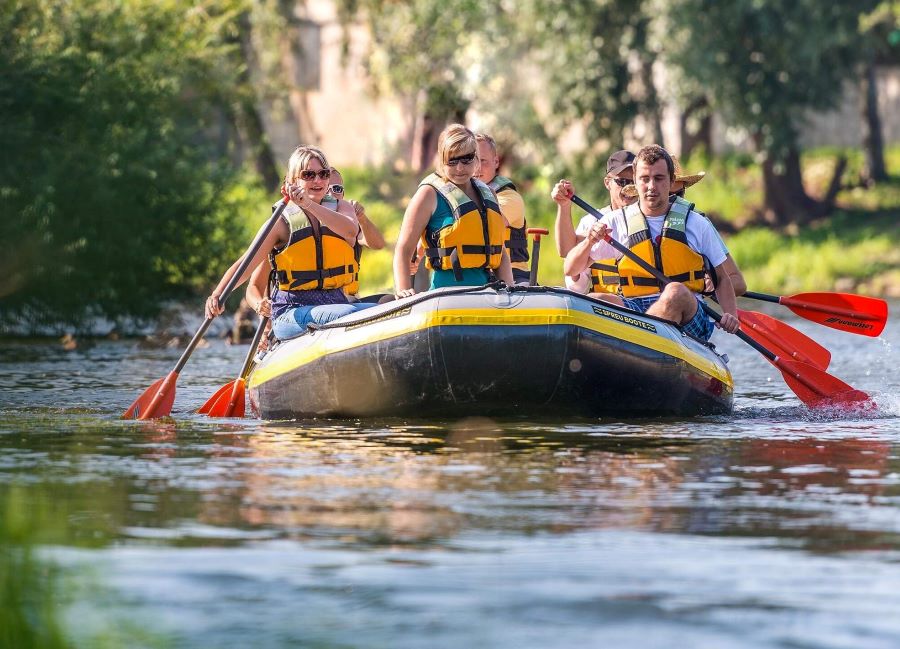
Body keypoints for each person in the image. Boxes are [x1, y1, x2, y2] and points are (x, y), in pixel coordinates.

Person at [563, 144, 740, 340]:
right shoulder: (615, 221)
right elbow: (571, 269)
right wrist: (589, 241)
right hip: (635, 308)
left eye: (659, 178)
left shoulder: (697, 224)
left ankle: (640, 339)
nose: (651, 187)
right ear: (635, 183)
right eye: (644, 179)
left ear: (671, 181)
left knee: (675, 292)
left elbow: (724, 278)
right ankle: (637, 342)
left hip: (689, 315)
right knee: (593, 300)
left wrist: (730, 314)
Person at [205, 145, 377, 340]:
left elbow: (351, 230)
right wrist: (218, 294)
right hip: (292, 312)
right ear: (293, 180)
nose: (318, 180)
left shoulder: (341, 207)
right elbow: (246, 263)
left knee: (381, 311)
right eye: (308, 175)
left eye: (323, 173)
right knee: (348, 315)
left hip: (336, 302)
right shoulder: (280, 222)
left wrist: (309, 205)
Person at [392, 124, 513, 299]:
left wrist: (510, 290)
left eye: (466, 159)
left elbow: (499, 252)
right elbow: (403, 250)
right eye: (452, 160)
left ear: (476, 158)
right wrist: (403, 290)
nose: (460, 168)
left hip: (488, 294)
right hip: (446, 297)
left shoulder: (489, 194)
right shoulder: (428, 194)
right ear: (442, 160)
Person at [621, 162, 747, 296]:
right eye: (668, 195)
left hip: (686, 307)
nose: (674, 200)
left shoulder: (698, 223)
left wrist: (704, 286)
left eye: (679, 193)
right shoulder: (623, 223)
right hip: (637, 304)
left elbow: (737, 282)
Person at [552, 150, 637, 293]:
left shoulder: (649, 217)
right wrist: (564, 206)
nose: (628, 188)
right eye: (621, 182)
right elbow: (567, 252)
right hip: (603, 305)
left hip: (641, 301)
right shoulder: (590, 222)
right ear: (607, 183)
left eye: (633, 182)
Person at [475, 133, 530, 284]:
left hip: (515, 275)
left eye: (483, 161)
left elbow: (488, 223)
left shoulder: (510, 197)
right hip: (477, 274)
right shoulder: (460, 195)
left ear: (496, 162)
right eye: (473, 161)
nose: (477, 167)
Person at [328, 168, 386, 300]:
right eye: (326, 188)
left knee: (390, 300)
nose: (331, 194)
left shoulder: (351, 221)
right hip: (322, 300)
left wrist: (362, 218)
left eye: (336, 189)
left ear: (343, 193)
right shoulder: (308, 221)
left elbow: (378, 244)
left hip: (351, 298)